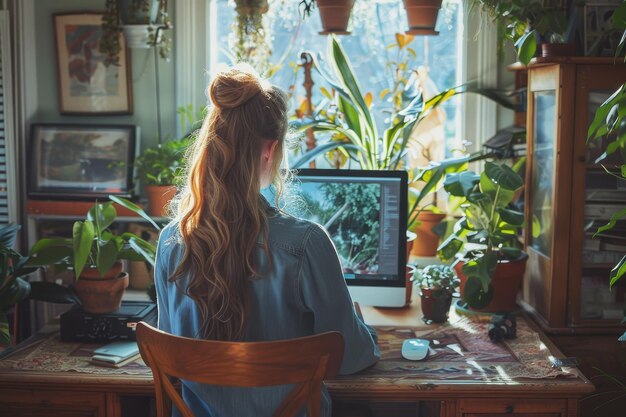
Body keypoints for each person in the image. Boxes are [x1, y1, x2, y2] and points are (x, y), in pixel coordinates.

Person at [154, 64, 380, 417]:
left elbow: (172, 355)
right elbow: (350, 359)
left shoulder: (172, 243)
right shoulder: (306, 244)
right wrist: (358, 327)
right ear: (270, 150)